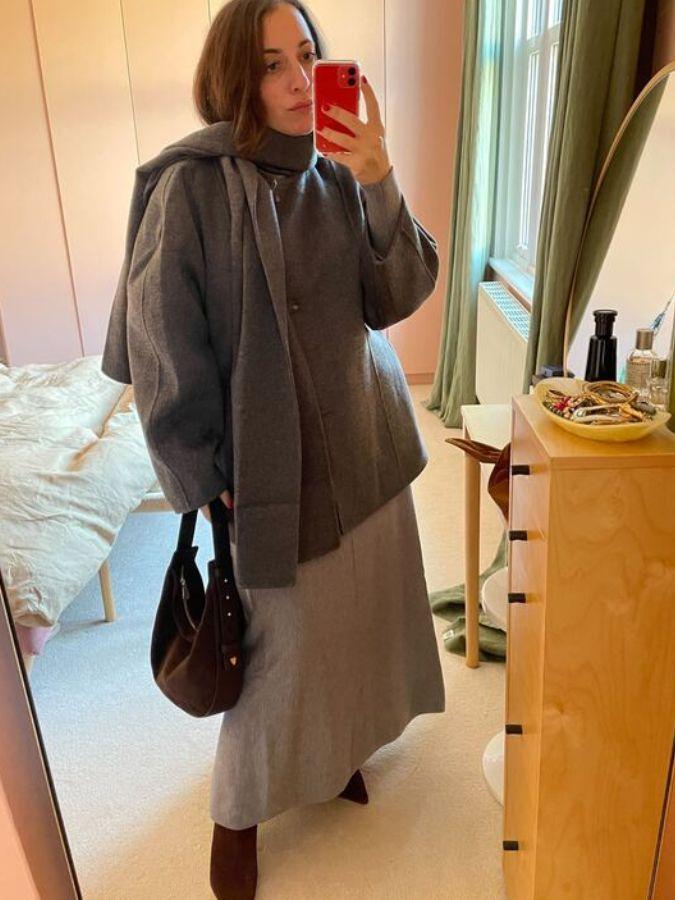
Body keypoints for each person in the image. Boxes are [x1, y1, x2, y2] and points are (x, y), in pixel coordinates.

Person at [101, 1, 446, 897]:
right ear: (233, 77)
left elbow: (395, 294)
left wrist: (380, 180)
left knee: (359, 622)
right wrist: (200, 472)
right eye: (270, 64)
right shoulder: (189, 186)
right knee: (276, 650)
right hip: (269, 459)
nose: (297, 80)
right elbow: (160, 342)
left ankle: (337, 755)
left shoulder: (336, 172)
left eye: (306, 56)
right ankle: (239, 813)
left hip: (365, 435)